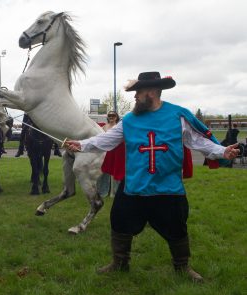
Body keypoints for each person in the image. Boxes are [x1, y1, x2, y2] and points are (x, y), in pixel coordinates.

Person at [64, 72, 239, 282]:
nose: (135, 97)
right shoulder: (129, 120)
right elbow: (107, 139)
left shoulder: (178, 115)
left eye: (138, 92)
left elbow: (198, 141)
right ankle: (120, 263)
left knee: (177, 228)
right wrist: (81, 144)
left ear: (152, 92)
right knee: (119, 221)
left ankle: (182, 267)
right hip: (134, 186)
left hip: (168, 187)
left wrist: (222, 152)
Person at [98, 111, 122, 198]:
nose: (111, 117)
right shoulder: (104, 127)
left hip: (116, 152)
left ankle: (115, 192)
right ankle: (103, 191)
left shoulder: (118, 127)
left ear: (116, 117)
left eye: (113, 115)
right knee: (104, 172)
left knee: (116, 172)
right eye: (110, 115)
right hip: (104, 153)